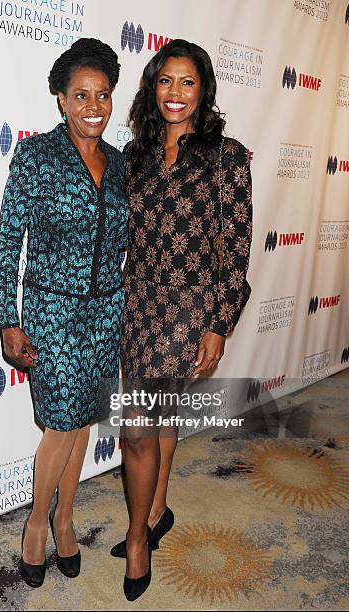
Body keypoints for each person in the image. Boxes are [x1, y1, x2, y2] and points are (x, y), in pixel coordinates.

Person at [112, 39, 253, 600]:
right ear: (152, 87)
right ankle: (158, 510)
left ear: (203, 90)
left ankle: (138, 538)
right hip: (137, 301)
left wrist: (219, 322)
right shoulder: (136, 156)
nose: (175, 92)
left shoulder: (227, 156)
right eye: (165, 80)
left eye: (187, 82)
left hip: (190, 307)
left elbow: (236, 244)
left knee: (136, 431)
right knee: (161, 416)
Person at [0, 38, 128, 588]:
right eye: (81, 95)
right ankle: (35, 525)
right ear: (61, 100)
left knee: (82, 422)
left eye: (103, 95)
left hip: (105, 315)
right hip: (52, 311)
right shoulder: (36, 157)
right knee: (61, 426)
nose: (93, 106)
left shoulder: (120, 165)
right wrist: (8, 316)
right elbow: (9, 241)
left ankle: (65, 521)